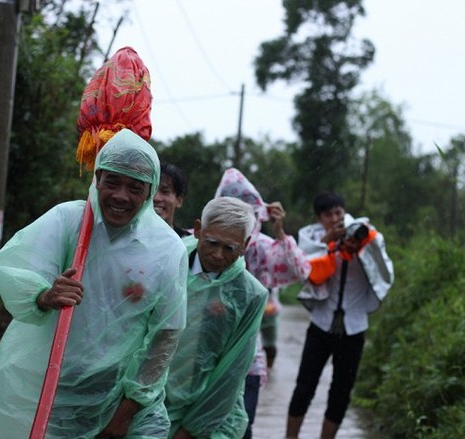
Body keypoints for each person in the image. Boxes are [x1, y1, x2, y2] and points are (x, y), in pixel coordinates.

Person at [0, 129, 189, 439]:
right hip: (53, 390)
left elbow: (165, 335)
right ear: (96, 177)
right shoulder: (68, 221)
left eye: (135, 187)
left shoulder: (167, 249)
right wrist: (45, 295)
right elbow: (15, 270)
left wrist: (125, 413)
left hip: (125, 400)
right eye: (112, 182)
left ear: (150, 191)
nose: (121, 196)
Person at [286, 192, 394, 439]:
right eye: (328, 214)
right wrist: (329, 244)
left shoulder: (365, 235)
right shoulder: (312, 239)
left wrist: (360, 247)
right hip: (321, 325)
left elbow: (382, 268)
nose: (335, 218)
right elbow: (307, 268)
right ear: (318, 218)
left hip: (354, 329)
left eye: (338, 212)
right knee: (304, 388)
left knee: (341, 392)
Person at [215, 167, 311, 439]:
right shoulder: (204, 242)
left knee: (241, 429)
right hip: (206, 358)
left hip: (247, 361)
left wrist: (280, 231)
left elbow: (302, 271)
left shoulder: (259, 247)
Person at [163, 196, 268, 439]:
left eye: (229, 248)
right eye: (212, 243)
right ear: (198, 229)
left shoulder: (249, 295)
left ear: (245, 244)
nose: (218, 255)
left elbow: (232, 371)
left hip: (211, 412)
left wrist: (191, 430)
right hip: (149, 404)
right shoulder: (168, 260)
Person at [154, 161, 190, 237]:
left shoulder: (189, 244)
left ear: (179, 200)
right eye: (152, 191)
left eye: (165, 192)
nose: (156, 198)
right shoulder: (127, 238)